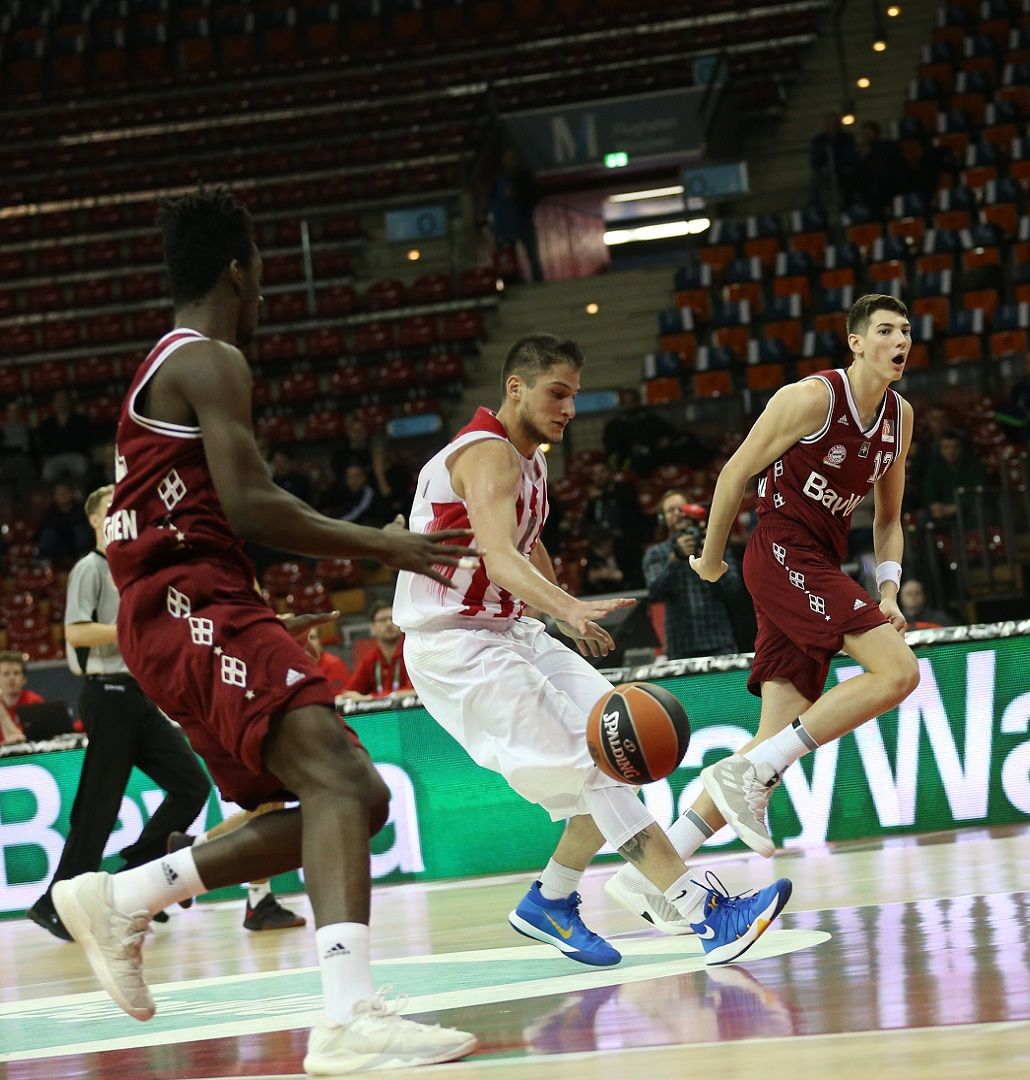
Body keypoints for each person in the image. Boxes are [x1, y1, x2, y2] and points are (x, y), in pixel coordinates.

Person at [48, 187, 478, 1074]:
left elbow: (210, 512)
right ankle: (347, 1020)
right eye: (261, 269)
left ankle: (124, 895)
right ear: (241, 269)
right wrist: (386, 543)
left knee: (357, 800)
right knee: (336, 779)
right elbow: (251, 503)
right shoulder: (210, 359)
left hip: (195, 606)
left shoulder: (165, 365)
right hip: (188, 606)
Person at [395, 333, 792, 967]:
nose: (570, 408)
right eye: (558, 393)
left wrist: (558, 611)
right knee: (596, 765)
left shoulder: (532, 458)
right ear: (515, 388)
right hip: (457, 643)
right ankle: (704, 912)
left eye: (575, 395)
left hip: (511, 632)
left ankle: (549, 902)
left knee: (619, 749)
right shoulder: (485, 454)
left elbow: (525, 543)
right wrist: (567, 608)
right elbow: (497, 558)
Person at [608, 293, 921, 920]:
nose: (900, 340)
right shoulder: (810, 399)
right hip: (781, 548)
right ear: (856, 342)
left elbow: (889, 519)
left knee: (772, 737)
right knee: (898, 672)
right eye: (885, 330)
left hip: (821, 562)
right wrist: (712, 558)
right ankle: (750, 773)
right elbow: (734, 474)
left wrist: (887, 590)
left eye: (907, 331)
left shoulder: (900, 417)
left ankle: (650, 879)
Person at [26, 485, 212, 943]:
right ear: (93, 520)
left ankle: (134, 878)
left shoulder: (136, 569)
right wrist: (128, 630)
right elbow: (76, 631)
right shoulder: (90, 569)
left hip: (138, 695)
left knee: (192, 785)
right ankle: (55, 903)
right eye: (110, 506)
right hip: (106, 694)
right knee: (99, 806)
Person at [642, 491, 741, 660]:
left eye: (682, 508)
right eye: (671, 510)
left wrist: (710, 561)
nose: (678, 513)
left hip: (719, 641)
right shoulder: (656, 553)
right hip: (679, 645)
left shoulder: (714, 547)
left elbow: (733, 589)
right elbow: (654, 593)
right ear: (663, 519)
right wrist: (675, 559)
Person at [337, 604, 415, 703]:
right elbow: (350, 694)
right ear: (372, 628)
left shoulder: (412, 654)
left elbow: (415, 692)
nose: (388, 623)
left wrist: (370, 698)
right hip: (382, 717)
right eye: (382, 620)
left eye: (392, 618)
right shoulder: (370, 660)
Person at [487, 148, 543, 284]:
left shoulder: (525, 176)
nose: (509, 160)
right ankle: (514, 281)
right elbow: (491, 200)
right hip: (507, 223)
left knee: (532, 254)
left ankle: (538, 280)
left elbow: (534, 195)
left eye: (511, 157)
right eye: (507, 157)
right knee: (509, 254)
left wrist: (517, 197)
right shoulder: (498, 178)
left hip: (523, 219)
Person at [914, 429, 991, 524]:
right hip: (943, 511)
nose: (951, 451)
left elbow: (978, 494)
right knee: (923, 518)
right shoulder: (935, 467)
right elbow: (930, 494)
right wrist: (934, 505)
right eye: (946, 447)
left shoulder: (975, 465)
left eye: (955, 447)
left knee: (978, 512)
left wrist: (956, 508)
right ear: (941, 450)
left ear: (962, 448)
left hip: (967, 511)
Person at [35, 389, 96, 484]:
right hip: (54, 457)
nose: (61, 402)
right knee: (48, 472)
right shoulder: (47, 423)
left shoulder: (79, 420)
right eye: (58, 399)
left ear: (68, 401)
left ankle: (79, 493)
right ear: (54, 402)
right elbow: (45, 444)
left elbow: (83, 441)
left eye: (63, 399)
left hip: (75, 455)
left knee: (81, 467)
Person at [809, 111, 858, 210]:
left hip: (843, 169)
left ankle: (848, 207)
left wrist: (836, 166)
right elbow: (815, 158)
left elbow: (849, 156)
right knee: (814, 183)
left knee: (849, 178)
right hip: (826, 171)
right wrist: (823, 168)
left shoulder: (847, 138)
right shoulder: (818, 140)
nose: (832, 126)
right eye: (829, 123)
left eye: (834, 123)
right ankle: (817, 211)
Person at [37, 482, 96, 564]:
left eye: (65, 493)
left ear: (71, 494)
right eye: (59, 494)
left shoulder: (80, 509)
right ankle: (44, 559)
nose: (62, 496)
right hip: (59, 546)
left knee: (80, 529)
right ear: (54, 497)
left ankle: (84, 557)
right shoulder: (50, 512)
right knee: (49, 532)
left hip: (77, 545)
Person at [304, 623, 351, 688]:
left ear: (320, 640)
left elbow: (337, 695)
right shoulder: (294, 665)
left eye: (312, 637)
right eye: (303, 639)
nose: (308, 643)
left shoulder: (333, 663)